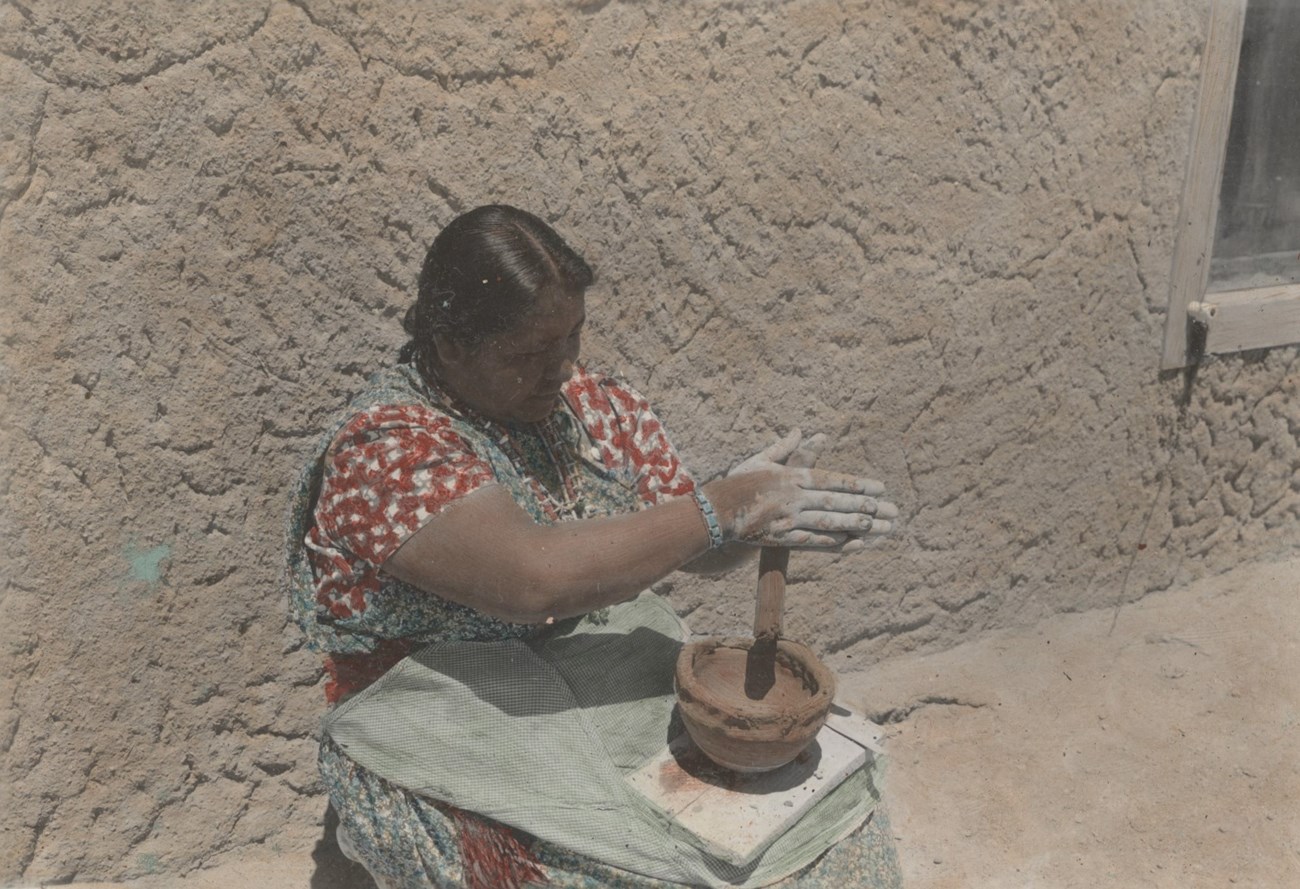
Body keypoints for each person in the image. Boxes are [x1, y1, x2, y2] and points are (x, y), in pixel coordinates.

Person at [285, 205, 903, 888]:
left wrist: (741, 522)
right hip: (446, 711)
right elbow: (534, 579)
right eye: (526, 354)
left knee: (823, 818)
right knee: (616, 873)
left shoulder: (590, 404)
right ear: (450, 345)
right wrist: (720, 506)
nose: (559, 369)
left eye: (571, 338)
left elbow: (680, 543)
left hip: (592, 675)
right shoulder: (387, 450)